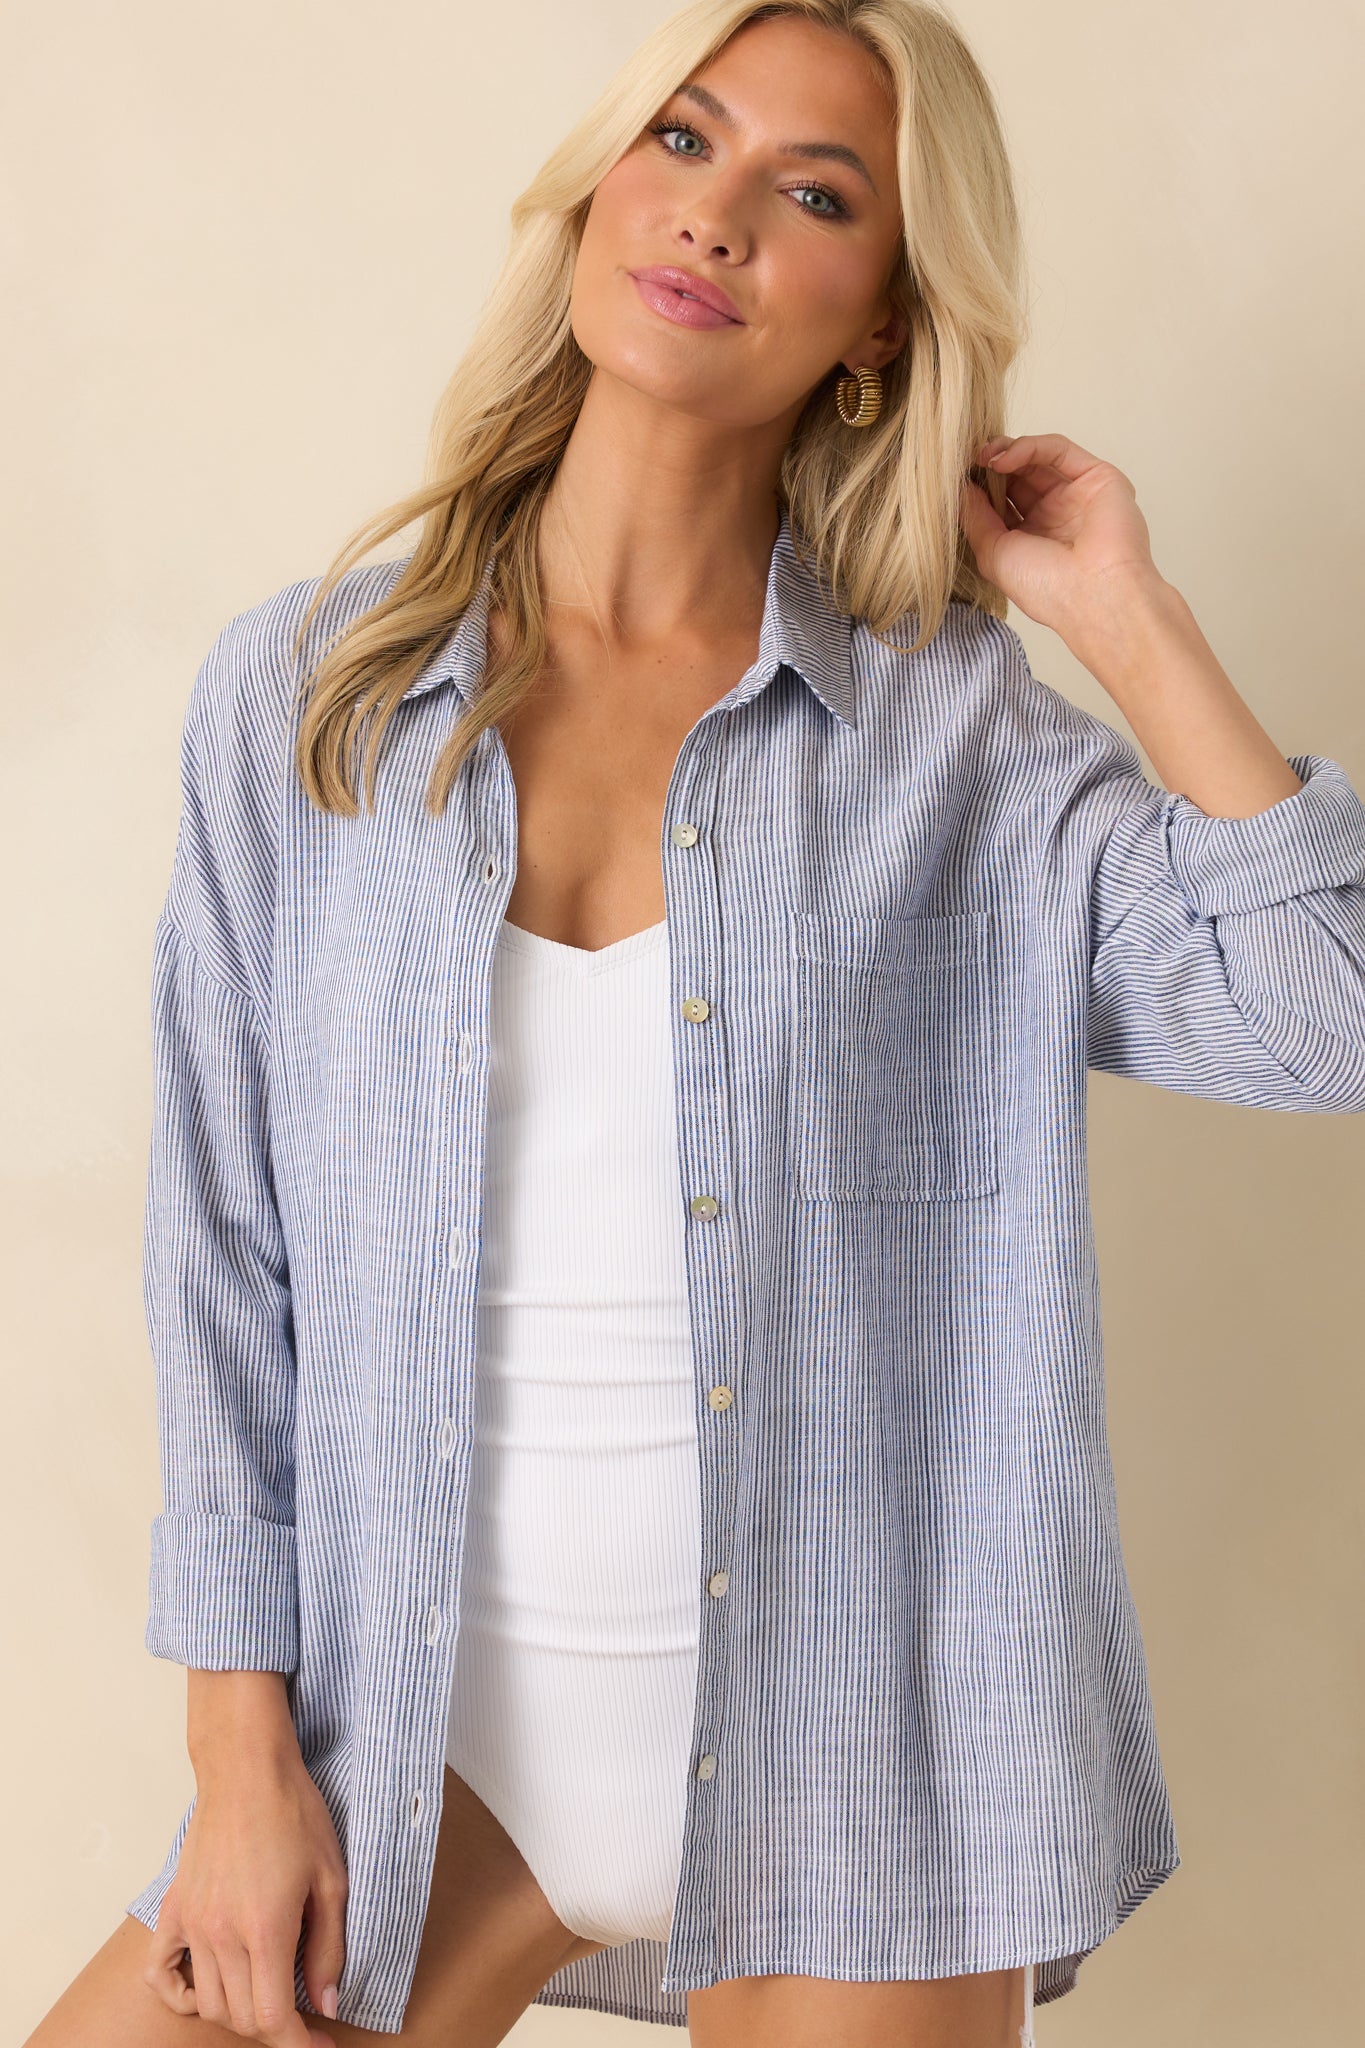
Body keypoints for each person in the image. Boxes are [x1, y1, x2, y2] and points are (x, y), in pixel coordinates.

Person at [26, 1, 1365, 2045]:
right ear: (589, 193)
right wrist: (237, 1758)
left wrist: (1122, 616)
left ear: (883, 326)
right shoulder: (308, 698)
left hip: (867, 1776)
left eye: (809, 195)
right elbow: (221, 1248)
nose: (714, 217)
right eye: (679, 138)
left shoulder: (960, 754)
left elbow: (1323, 1021)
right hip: (423, 1744)